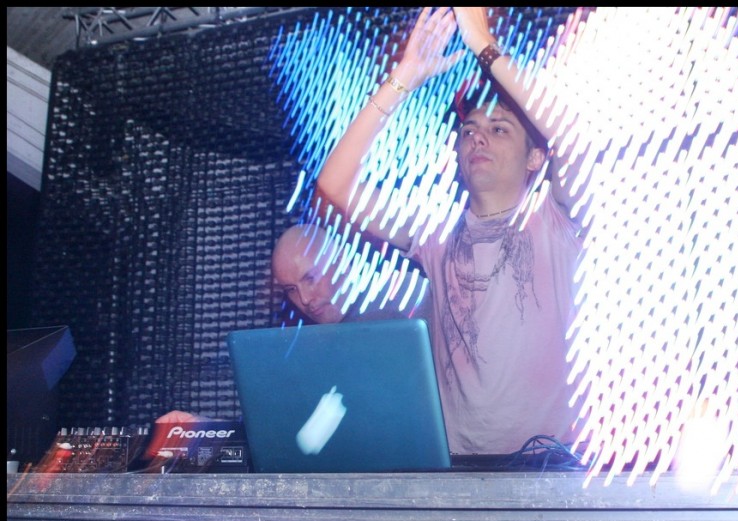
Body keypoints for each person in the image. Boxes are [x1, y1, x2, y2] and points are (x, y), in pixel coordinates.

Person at [315, 7, 588, 455]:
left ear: (535, 158)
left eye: (499, 129)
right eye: (469, 130)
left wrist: (483, 45)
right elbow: (334, 184)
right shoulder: (435, 230)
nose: (478, 138)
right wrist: (405, 75)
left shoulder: (558, 217)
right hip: (456, 468)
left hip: (548, 462)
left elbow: (571, 134)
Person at [157, 223, 426, 424]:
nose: (305, 299)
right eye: (291, 290)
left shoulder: (395, 311)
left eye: (310, 278)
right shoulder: (309, 349)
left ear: (341, 260)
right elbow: (281, 431)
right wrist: (207, 429)